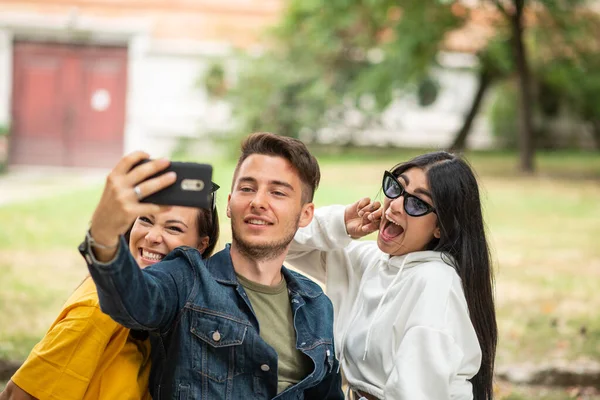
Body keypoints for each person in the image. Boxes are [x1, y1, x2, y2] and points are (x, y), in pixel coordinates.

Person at [79, 133, 343, 399]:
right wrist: (103, 236)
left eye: (277, 192)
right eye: (247, 188)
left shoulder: (316, 304)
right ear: (229, 204)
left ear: (305, 214)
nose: (258, 202)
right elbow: (133, 301)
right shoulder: (186, 278)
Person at [0, 156, 220, 400]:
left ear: (201, 246)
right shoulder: (99, 308)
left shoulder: (180, 313)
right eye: (145, 220)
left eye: (173, 228)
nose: (152, 237)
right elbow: (16, 396)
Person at [287, 151, 498, 400]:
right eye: (396, 187)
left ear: (442, 226)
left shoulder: (435, 284)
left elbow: (416, 394)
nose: (395, 205)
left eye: (417, 203)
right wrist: (341, 223)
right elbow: (280, 240)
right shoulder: (370, 262)